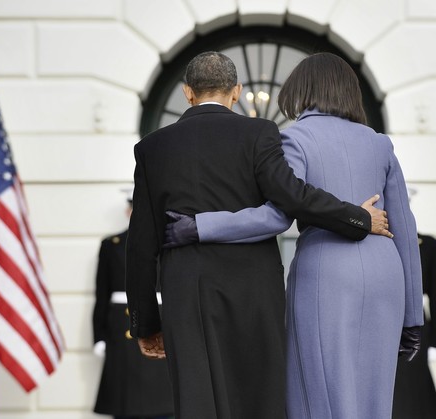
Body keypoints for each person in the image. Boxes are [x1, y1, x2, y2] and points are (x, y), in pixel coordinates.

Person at [125, 51, 392, 419]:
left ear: (188, 92)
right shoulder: (259, 133)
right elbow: (293, 197)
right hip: (253, 289)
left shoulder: (152, 147)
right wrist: (357, 217)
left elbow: (141, 244)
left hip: (187, 292)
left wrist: (145, 323)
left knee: (198, 404)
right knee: (260, 401)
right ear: (236, 91)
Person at [92, 192, 174, 419]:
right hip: (122, 325)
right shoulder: (112, 245)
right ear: (128, 212)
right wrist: (99, 336)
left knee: (162, 399)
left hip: (160, 321)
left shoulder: (168, 243)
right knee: (125, 400)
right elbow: (102, 294)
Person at [392, 189, 436, 419]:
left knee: (416, 393)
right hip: (386, 324)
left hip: (416, 326)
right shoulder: (382, 243)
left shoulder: (427, 245)